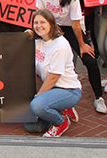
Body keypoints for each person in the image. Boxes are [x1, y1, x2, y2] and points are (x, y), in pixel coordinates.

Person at [36, 0, 106, 113]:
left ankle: (99, 97)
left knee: (89, 60)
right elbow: (40, 14)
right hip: (51, 27)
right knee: (47, 62)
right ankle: (56, 98)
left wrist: (81, 45)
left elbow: (75, 23)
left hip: (70, 28)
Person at [24, 9, 82, 138]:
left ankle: (61, 123)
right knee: (31, 126)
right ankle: (62, 108)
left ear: (51, 23)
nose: (39, 26)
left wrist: (38, 96)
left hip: (69, 90)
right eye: (36, 22)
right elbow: (21, 45)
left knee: (37, 106)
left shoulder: (60, 45)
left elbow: (53, 77)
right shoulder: (39, 42)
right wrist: (25, 36)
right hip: (52, 90)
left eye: (43, 22)